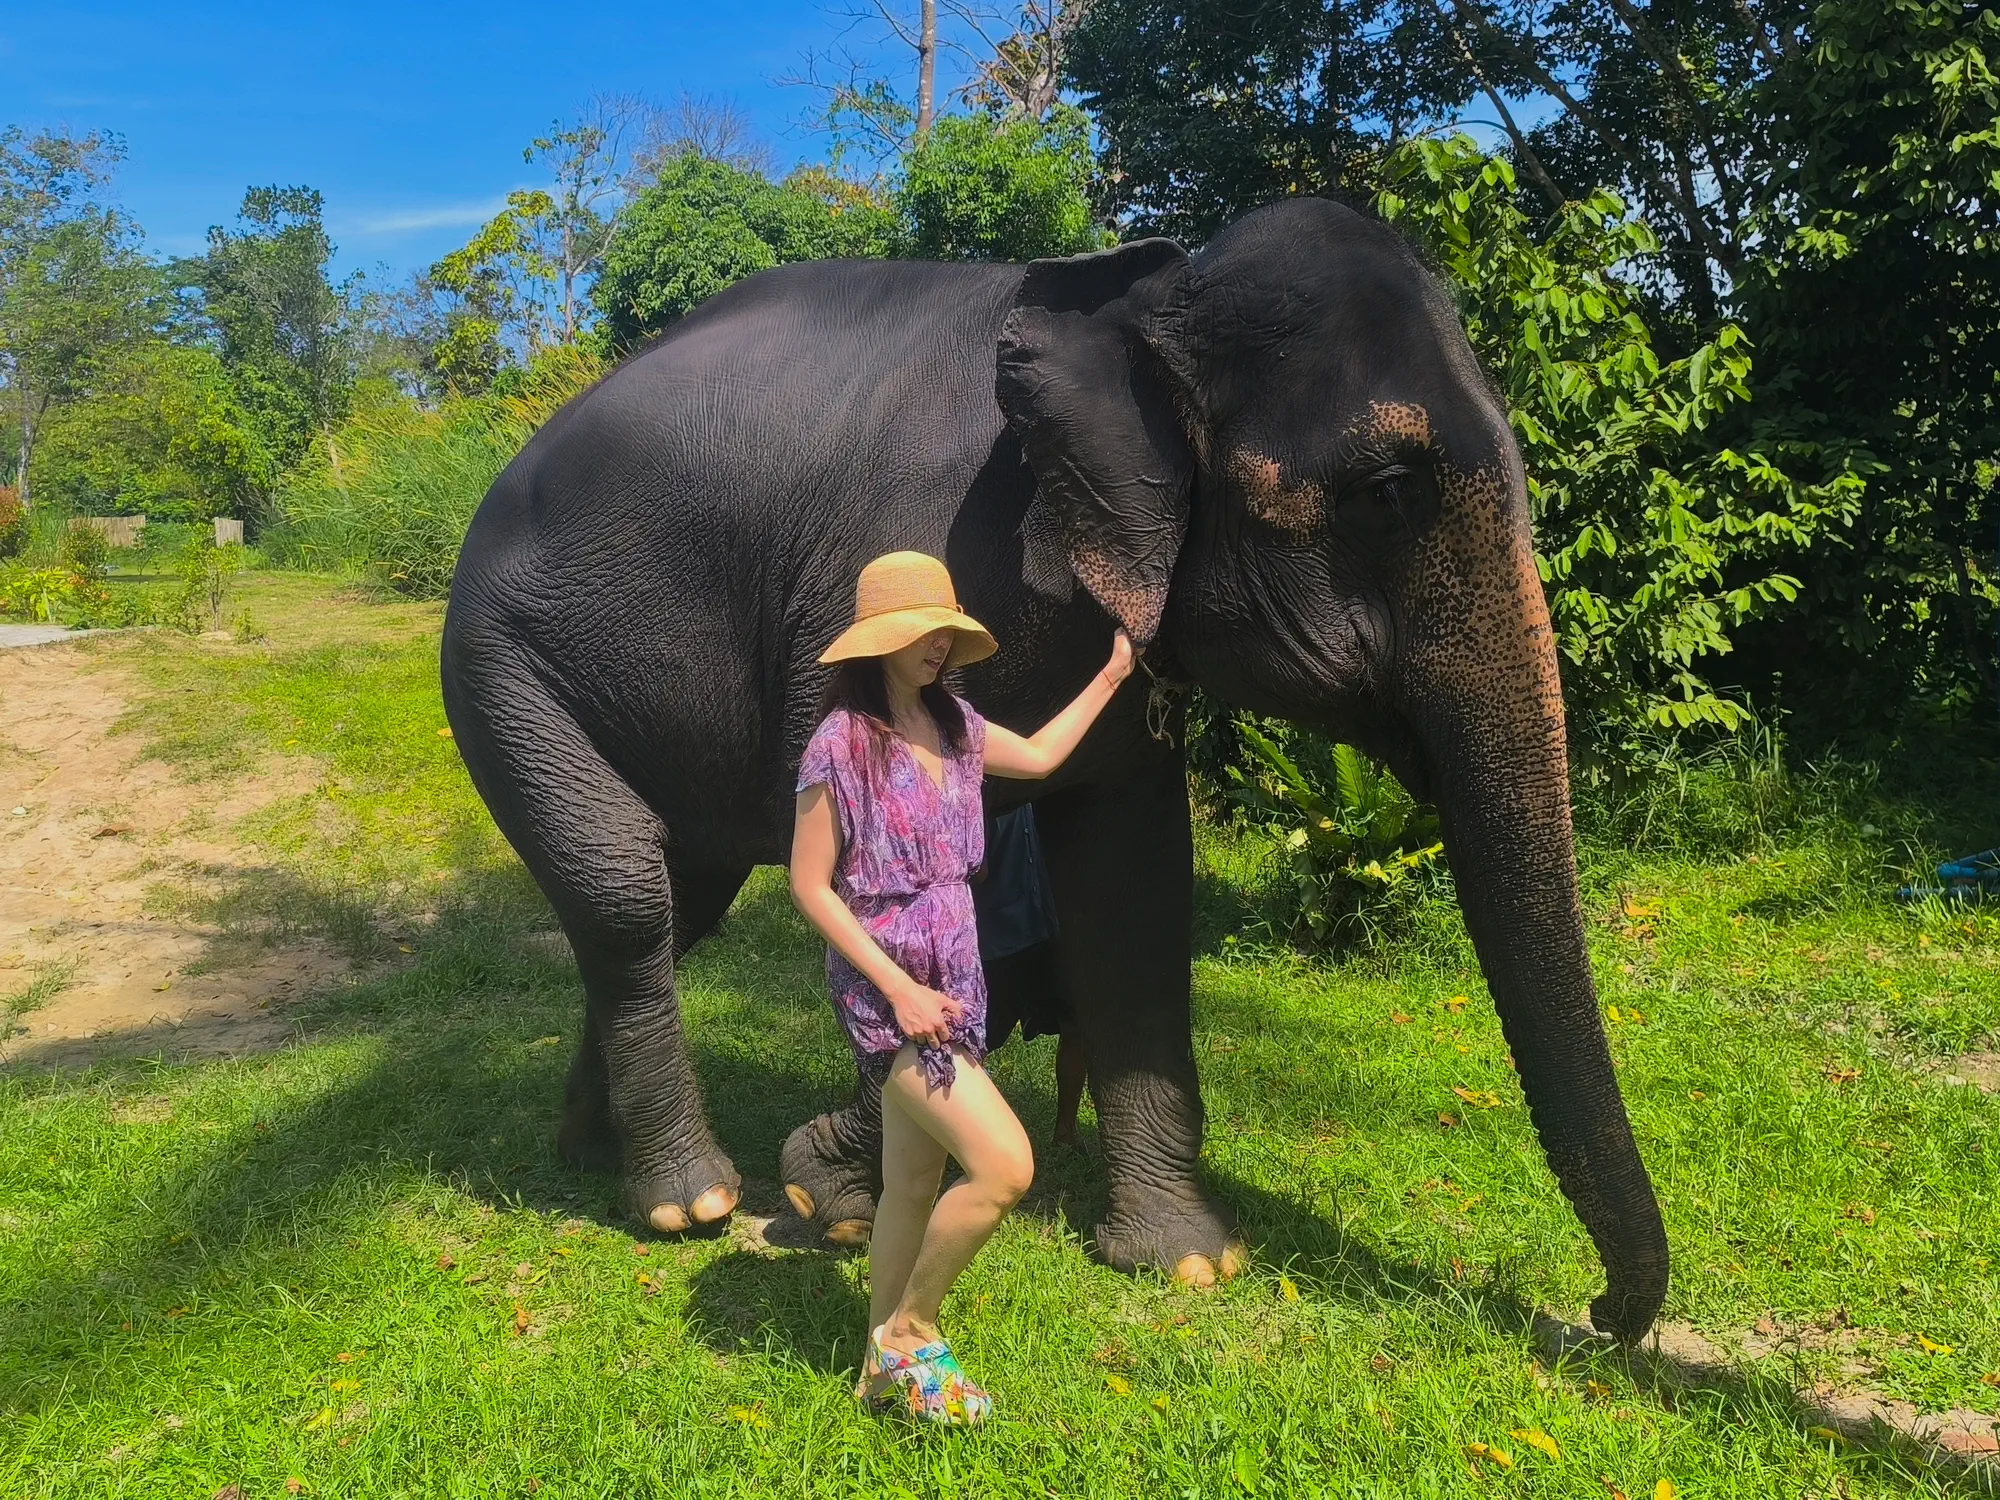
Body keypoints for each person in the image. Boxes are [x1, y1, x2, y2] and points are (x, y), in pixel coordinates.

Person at [789, 551, 1134, 1426]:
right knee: (1006, 1165)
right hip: (890, 992)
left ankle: (876, 1376)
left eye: (946, 632)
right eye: (921, 633)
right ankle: (911, 1330)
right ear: (879, 642)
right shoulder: (841, 744)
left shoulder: (959, 726)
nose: (938, 647)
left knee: (912, 1184)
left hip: (954, 977)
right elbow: (811, 886)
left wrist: (1113, 672)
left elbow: (1050, 753)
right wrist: (898, 990)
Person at [975, 805, 1088, 1150]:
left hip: (1052, 924)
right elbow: (974, 870)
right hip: (998, 937)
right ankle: (968, 1137)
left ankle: (1066, 1133)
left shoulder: (1047, 778)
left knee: (1077, 1025)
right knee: (977, 1040)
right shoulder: (978, 788)